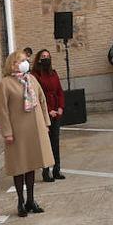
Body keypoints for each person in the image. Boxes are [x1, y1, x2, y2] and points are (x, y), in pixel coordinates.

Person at [0, 50, 53, 218]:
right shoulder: (5, 84)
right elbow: (2, 110)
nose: (25, 62)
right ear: (12, 64)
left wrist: (46, 123)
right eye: (21, 60)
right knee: (19, 166)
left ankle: (31, 200)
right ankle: (20, 200)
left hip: (35, 128)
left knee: (32, 164)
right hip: (17, 131)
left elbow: (42, 100)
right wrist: (7, 132)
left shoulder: (31, 79)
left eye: (25, 60)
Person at [33, 49, 66, 182]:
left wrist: (60, 107)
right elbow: (38, 96)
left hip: (56, 112)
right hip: (45, 112)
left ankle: (57, 169)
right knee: (45, 143)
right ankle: (46, 171)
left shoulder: (54, 73)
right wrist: (48, 110)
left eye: (48, 56)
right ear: (39, 59)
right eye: (43, 56)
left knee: (55, 142)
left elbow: (59, 91)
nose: (46, 58)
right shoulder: (35, 75)